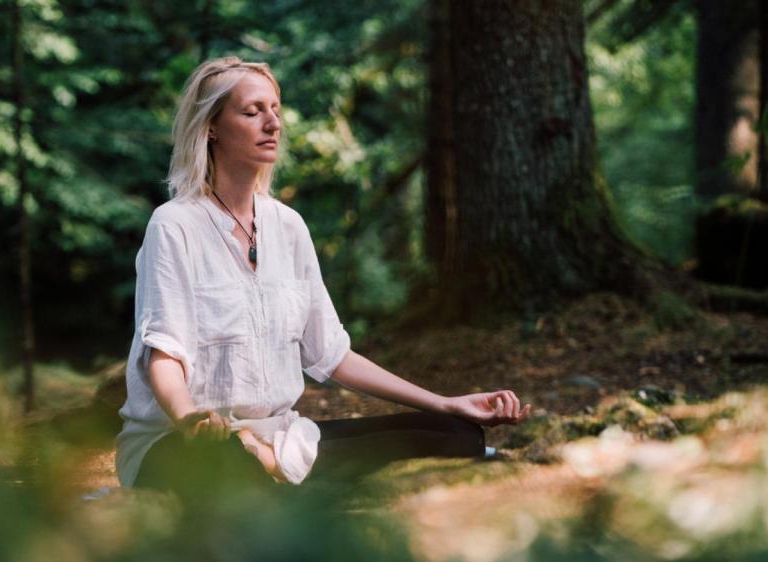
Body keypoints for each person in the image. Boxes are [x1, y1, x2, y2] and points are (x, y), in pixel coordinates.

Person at [115, 56, 531, 497]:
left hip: (280, 437)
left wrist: (444, 401)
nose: (272, 123)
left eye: (275, 109)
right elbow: (164, 356)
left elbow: (333, 356)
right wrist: (188, 419)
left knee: (456, 434)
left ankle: (276, 467)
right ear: (211, 126)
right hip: (184, 444)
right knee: (230, 464)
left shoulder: (288, 226)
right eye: (252, 111)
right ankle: (276, 479)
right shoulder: (175, 224)